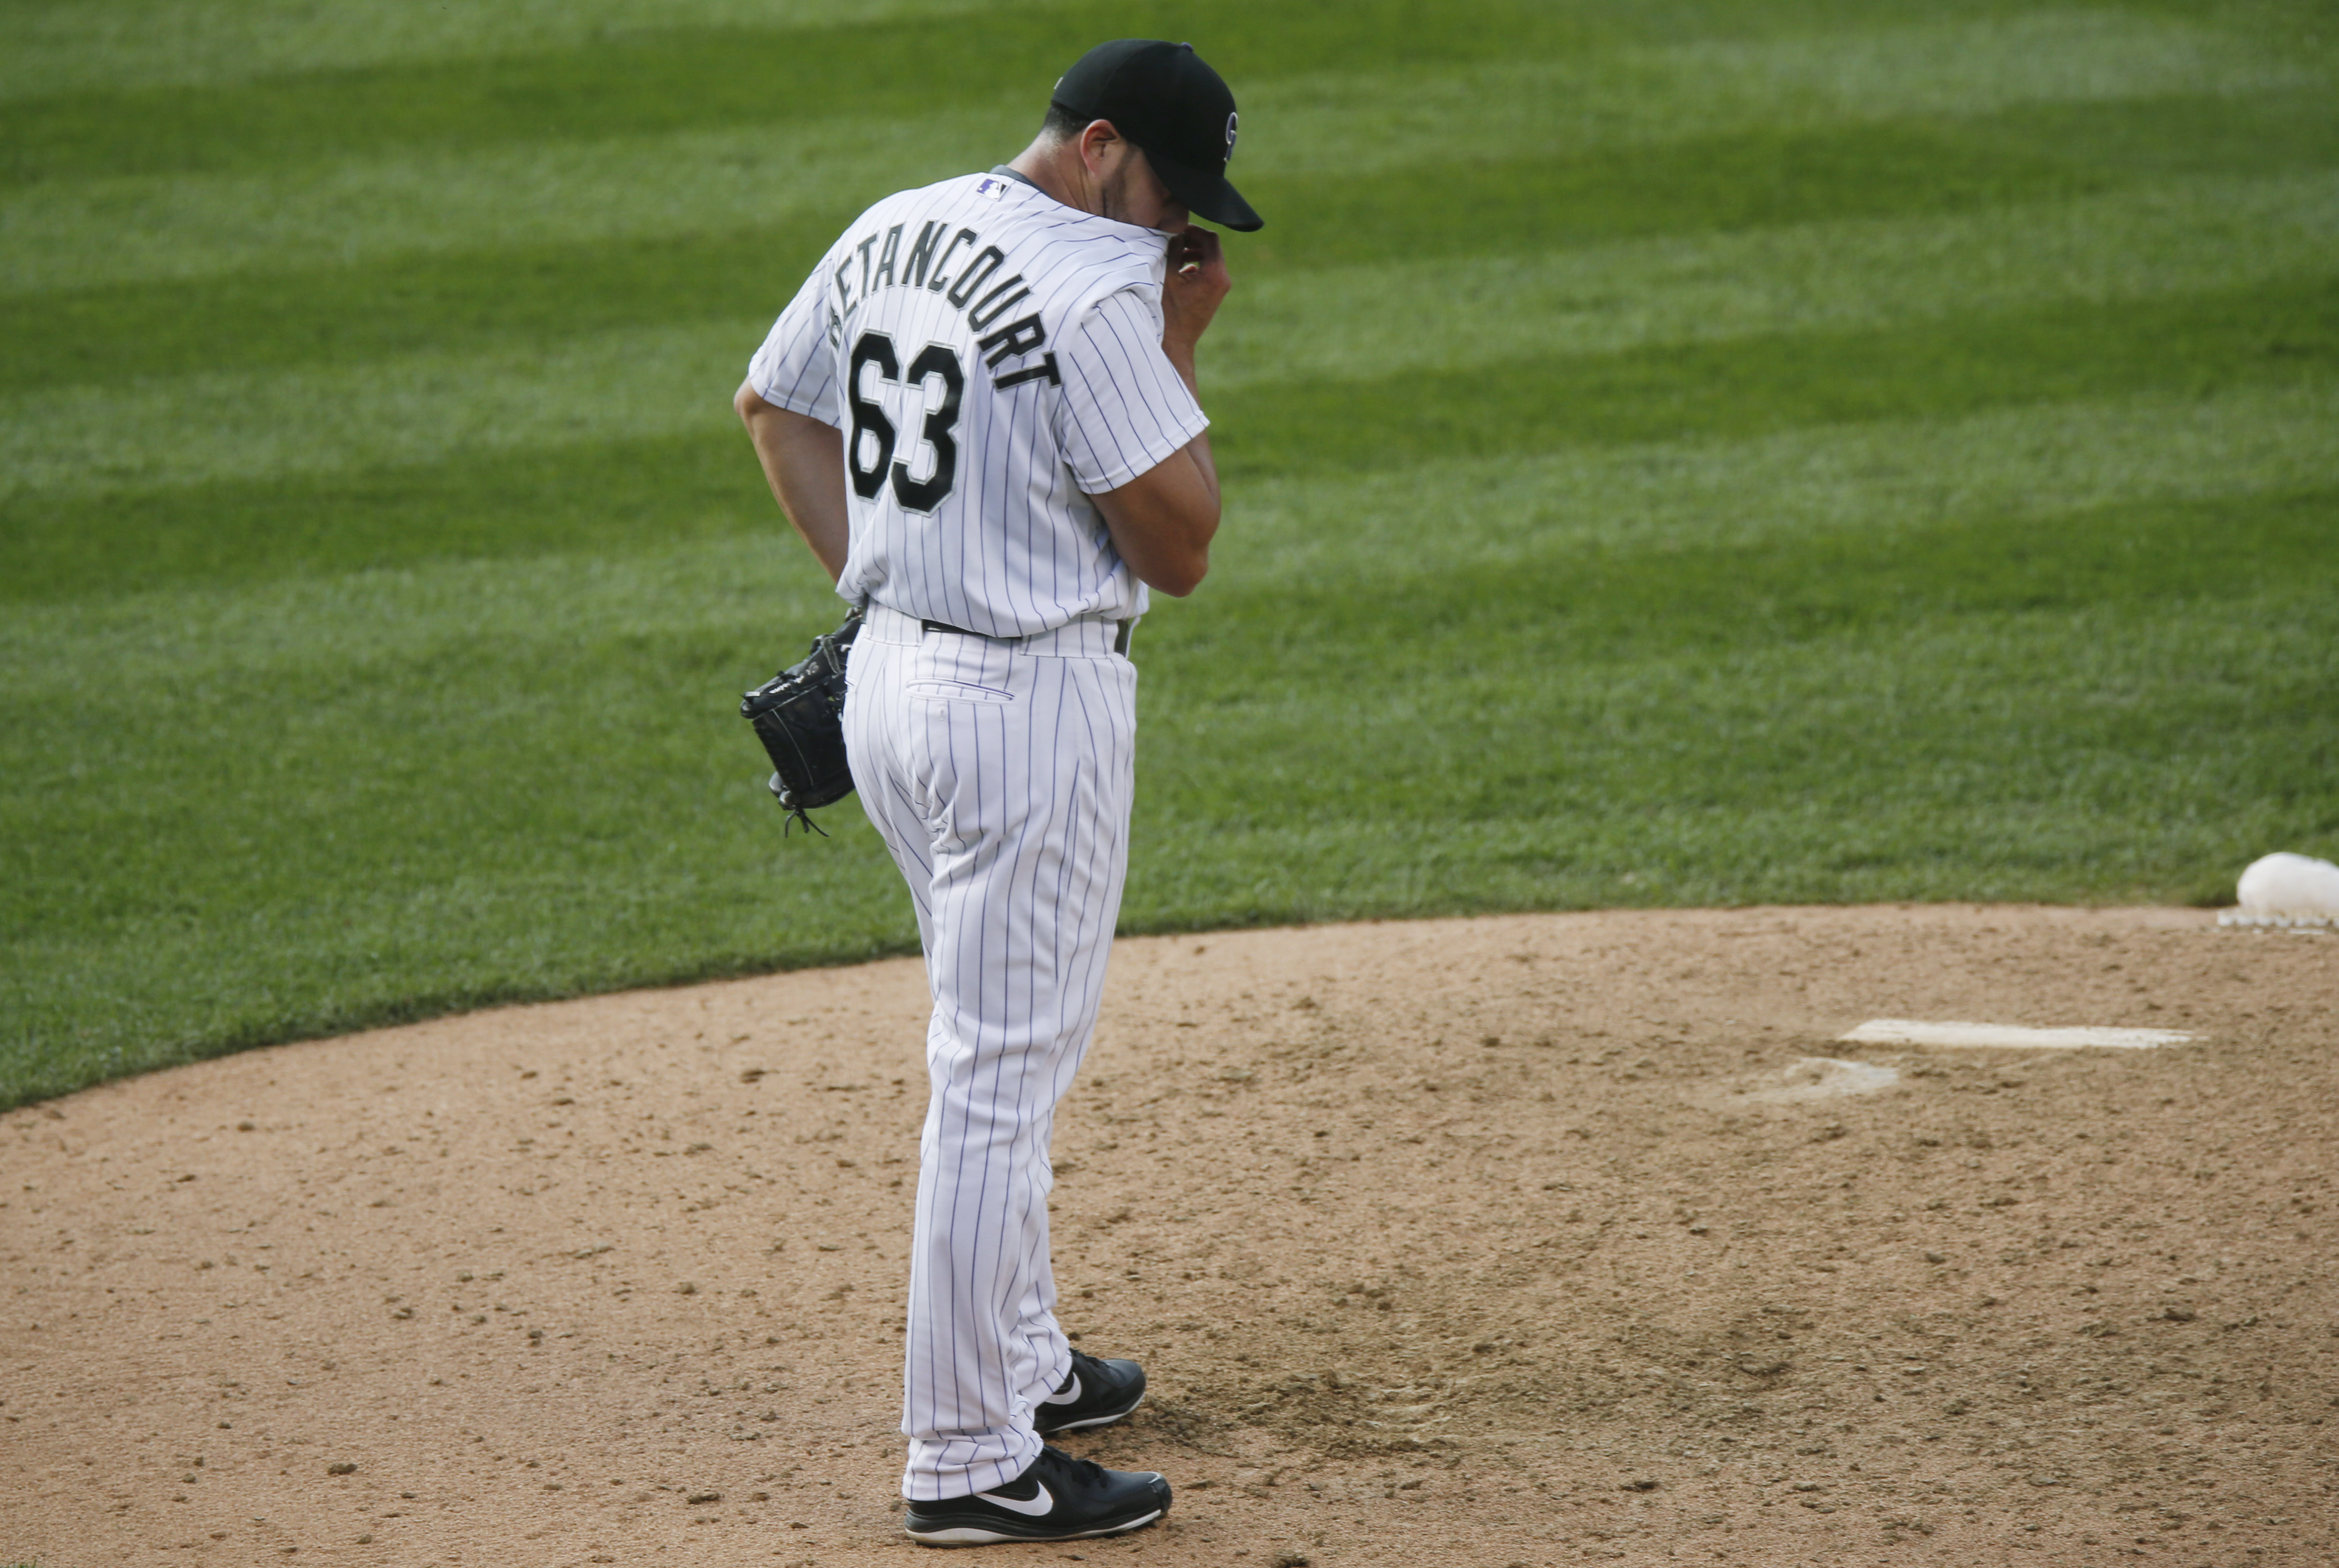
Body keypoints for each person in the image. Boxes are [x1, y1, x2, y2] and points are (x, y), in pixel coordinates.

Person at [733, 38, 1261, 1547]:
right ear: (1099, 146)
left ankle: (1022, 1363)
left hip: (895, 685)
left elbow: (771, 406)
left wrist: (890, 583)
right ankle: (966, 1457)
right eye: (1172, 196)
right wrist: (1178, 342)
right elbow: (1180, 544)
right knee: (997, 1083)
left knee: (993, 1051)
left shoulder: (896, 221)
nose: (1177, 233)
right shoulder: (1100, 290)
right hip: (1023, 707)